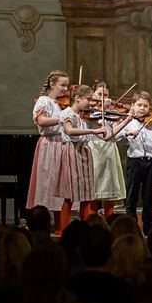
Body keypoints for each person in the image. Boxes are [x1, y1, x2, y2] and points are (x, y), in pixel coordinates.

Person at [108, 91, 152, 235]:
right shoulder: (128, 121)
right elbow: (114, 136)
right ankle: (131, 226)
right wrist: (127, 132)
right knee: (132, 194)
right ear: (132, 105)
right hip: (135, 161)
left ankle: (148, 226)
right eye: (139, 105)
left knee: (148, 196)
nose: (142, 108)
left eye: (145, 106)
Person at [57, 85, 104, 231]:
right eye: (88, 99)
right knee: (70, 194)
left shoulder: (83, 117)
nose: (91, 103)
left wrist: (126, 120)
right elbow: (69, 130)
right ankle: (64, 230)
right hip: (72, 151)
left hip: (84, 151)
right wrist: (92, 130)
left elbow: (107, 136)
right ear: (77, 98)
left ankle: (86, 229)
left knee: (86, 195)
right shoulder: (67, 113)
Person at [27, 71, 69, 232]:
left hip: (61, 145)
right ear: (52, 84)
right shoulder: (44, 101)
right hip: (50, 146)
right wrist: (63, 118)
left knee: (61, 189)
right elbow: (41, 120)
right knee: (49, 187)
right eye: (62, 85)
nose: (66, 89)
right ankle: (46, 227)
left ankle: (61, 228)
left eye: (67, 85)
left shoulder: (60, 103)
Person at [88, 83, 126, 217]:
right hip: (93, 149)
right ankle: (91, 220)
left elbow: (115, 135)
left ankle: (109, 220)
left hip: (109, 150)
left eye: (106, 95)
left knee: (109, 188)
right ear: (93, 95)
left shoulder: (111, 112)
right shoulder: (88, 111)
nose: (103, 98)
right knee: (93, 189)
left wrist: (117, 118)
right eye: (100, 95)